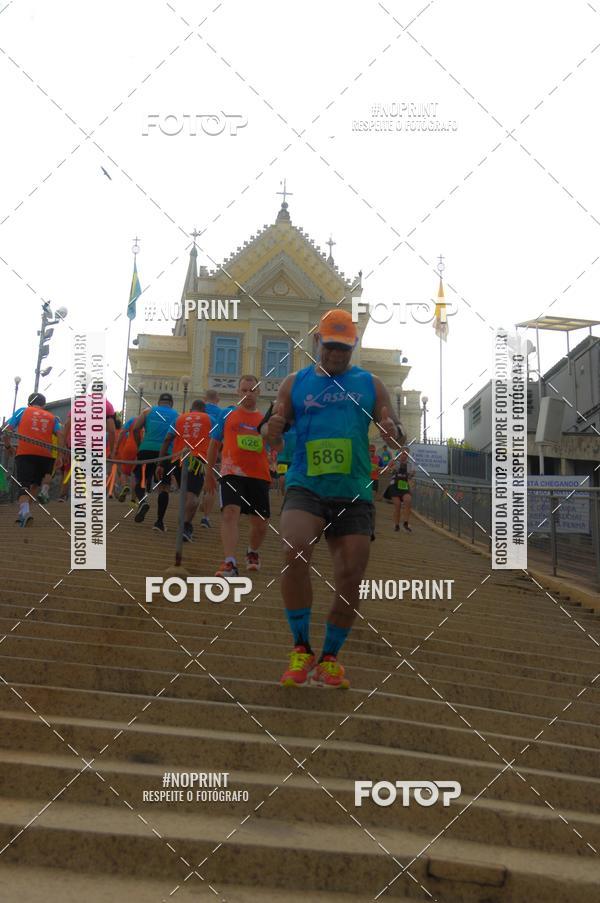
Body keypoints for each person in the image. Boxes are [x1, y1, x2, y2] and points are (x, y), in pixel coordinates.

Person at [266, 309, 403, 689]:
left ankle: (329, 657)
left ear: (353, 346)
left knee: (350, 576)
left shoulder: (370, 384)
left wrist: (392, 431)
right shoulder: (294, 383)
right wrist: (273, 431)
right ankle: (300, 648)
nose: (337, 354)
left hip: (354, 491)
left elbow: (396, 435)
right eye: (331, 347)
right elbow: (273, 433)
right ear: (317, 342)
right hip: (306, 484)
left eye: (344, 348)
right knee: (293, 548)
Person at [204, 376, 272, 577]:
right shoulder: (227, 414)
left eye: (252, 390)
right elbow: (214, 444)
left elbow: (275, 443)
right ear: (238, 392)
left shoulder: (265, 419)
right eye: (244, 390)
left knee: (260, 522)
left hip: (259, 474)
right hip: (231, 472)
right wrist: (209, 472)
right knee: (230, 512)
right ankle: (230, 563)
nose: (248, 394)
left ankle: (252, 551)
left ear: (258, 392)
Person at [3, 392, 61, 527]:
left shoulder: (22, 411)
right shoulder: (52, 417)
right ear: (44, 405)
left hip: (26, 452)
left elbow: (6, 428)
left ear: (29, 403)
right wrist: (60, 454)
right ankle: (24, 513)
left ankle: (25, 512)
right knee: (35, 484)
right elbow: (61, 433)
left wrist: (7, 446)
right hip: (45, 454)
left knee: (24, 485)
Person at [158, 400, 212, 543]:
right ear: (203, 410)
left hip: (177, 459)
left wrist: (160, 463)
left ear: (190, 409)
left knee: (186, 494)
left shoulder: (179, 418)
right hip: (196, 460)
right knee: (193, 497)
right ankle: (184, 525)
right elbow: (218, 440)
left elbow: (167, 439)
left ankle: (186, 525)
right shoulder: (209, 419)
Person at [132, 392, 179, 532]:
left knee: (140, 480)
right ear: (171, 403)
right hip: (165, 454)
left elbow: (135, 429)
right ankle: (159, 522)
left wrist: (139, 445)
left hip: (146, 449)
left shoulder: (147, 411)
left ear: (159, 402)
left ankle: (143, 502)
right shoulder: (177, 415)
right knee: (163, 487)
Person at [199, 389, 224, 528]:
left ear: (204, 398)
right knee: (212, 484)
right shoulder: (221, 413)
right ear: (218, 399)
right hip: (212, 452)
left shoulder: (197, 410)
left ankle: (197, 502)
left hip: (194, 451)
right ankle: (206, 517)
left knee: (196, 481)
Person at [389, 449, 415, 533]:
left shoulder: (409, 464)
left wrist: (412, 474)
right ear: (399, 454)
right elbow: (390, 471)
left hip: (404, 485)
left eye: (406, 454)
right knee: (398, 505)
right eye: (403, 454)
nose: (404, 456)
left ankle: (406, 523)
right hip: (394, 485)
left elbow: (409, 477)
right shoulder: (395, 462)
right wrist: (391, 467)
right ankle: (396, 525)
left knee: (408, 500)